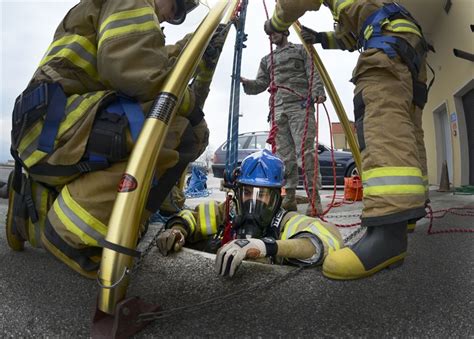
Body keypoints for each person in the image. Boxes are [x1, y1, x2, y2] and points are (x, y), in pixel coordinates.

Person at [6, 0, 225, 279]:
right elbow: (137, 73)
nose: (173, 17)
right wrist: (191, 106)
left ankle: (29, 214)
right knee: (177, 130)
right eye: (178, 7)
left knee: (171, 124)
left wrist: (199, 44)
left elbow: (154, 61)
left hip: (47, 132)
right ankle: (73, 237)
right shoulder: (132, 1)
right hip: (56, 127)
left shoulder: (122, 10)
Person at [264, 0, 430, 280]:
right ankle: (409, 214)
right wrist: (321, 39)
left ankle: (388, 234)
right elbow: (353, 37)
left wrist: (275, 23)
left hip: (388, 42)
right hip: (408, 44)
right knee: (407, 127)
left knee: (381, 111)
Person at [157, 149, 344, 277]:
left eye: (262, 194)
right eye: (247, 192)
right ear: (238, 192)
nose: (253, 201)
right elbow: (192, 217)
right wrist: (177, 230)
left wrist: (266, 247)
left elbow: (330, 238)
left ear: (276, 198)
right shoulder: (227, 211)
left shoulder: (286, 222)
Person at [240, 30, 326, 216]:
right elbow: (261, 84)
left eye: (275, 31)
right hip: (278, 110)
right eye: (269, 34)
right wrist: (248, 83)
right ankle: (289, 198)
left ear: (285, 31)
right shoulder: (267, 60)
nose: (272, 35)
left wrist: (318, 91)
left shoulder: (300, 50)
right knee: (284, 157)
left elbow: (313, 71)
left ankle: (314, 200)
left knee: (305, 153)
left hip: (300, 106)